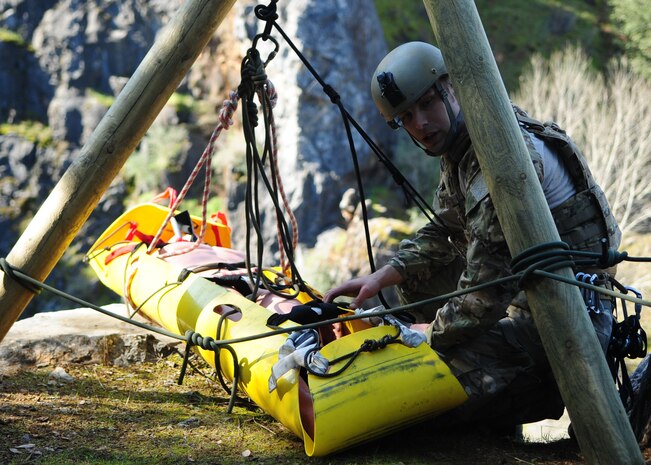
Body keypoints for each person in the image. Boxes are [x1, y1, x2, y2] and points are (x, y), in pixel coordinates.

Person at [324, 41, 621, 430]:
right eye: (406, 117)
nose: (420, 124)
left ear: (453, 88)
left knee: (414, 395)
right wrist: (385, 274)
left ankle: (534, 390)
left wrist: (427, 336)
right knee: (418, 280)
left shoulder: (499, 156)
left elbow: (484, 290)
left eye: (428, 104)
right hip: (525, 295)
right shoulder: (463, 142)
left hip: (565, 320)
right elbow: (445, 227)